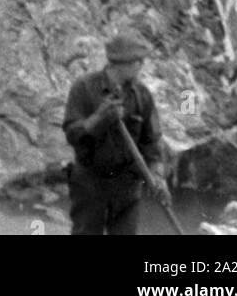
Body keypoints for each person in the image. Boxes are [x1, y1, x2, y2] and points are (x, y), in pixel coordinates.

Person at [63, 30, 170, 236]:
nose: (141, 66)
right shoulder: (83, 88)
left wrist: (157, 175)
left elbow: (152, 142)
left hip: (127, 188)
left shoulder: (142, 95)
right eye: (138, 62)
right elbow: (72, 135)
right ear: (122, 64)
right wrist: (99, 119)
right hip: (90, 184)